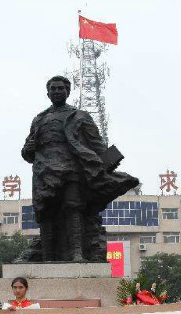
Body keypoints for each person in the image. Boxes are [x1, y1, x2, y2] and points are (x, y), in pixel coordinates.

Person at [20, 76, 138, 262]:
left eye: (61, 88)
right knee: (46, 213)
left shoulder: (79, 116)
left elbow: (96, 143)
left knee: (73, 208)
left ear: (68, 92)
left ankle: (77, 254)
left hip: (71, 170)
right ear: (48, 93)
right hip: (44, 173)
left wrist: (107, 162)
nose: (57, 92)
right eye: (53, 89)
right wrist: (27, 149)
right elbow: (28, 153)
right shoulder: (39, 119)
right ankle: (48, 258)